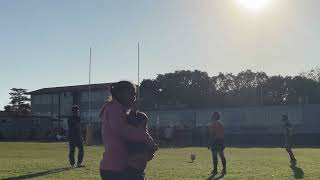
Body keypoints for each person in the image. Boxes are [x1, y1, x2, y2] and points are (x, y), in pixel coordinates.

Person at [99, 81, 158, 180]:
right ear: (119, 94)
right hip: (115, 169)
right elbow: (122, 130)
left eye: (134, 94)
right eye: (131, 94)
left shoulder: (121, 110)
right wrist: (146, 140)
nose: (134, 97)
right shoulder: (114, 108)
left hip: (120, 167)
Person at [126, 111, 157, 180]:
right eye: (144, 124)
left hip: (131, 167)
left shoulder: (130, 133)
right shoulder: (143, 134)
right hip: (137, 167)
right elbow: (153, 146)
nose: (145, 127)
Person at [207, 111, 227, 176]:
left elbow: (212, 134)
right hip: (221, 141)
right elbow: (223, 133)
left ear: (214, 116)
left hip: (215, 141)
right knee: (222, 156)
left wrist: (209, 143)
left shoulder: (212, 124)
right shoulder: (221, 124)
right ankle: (224, 170)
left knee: (214, 156)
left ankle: (215, 170)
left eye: (212, 115)